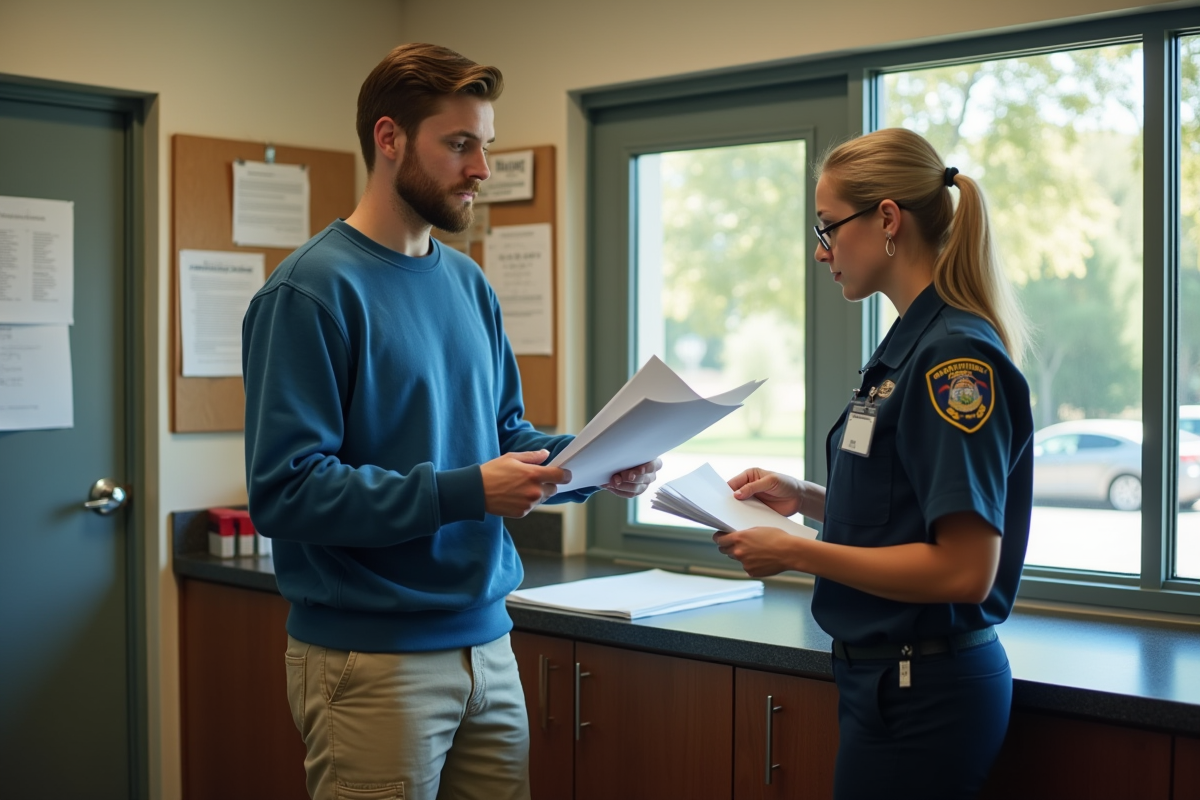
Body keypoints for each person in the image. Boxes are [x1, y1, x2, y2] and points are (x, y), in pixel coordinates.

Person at [242, 43, 659, 800]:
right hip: (370, 662)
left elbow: (503, 438)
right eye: (459, 145)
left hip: (489, 649)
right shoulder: (308, 293)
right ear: (389, 138)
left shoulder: (469, 285)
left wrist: (594, 461)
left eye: (484, 146)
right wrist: (466, 492)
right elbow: (287, 493)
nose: (480, 169)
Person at [714, 127, 1034, 800]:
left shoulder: (953, 362)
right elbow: (911, 509)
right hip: (888, 681)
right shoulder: (908, 345)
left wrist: (799, 553)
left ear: (887, 218)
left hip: (925, 691)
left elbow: (964, 568)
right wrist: (805, 498)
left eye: (828, 227)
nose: (819, 250)